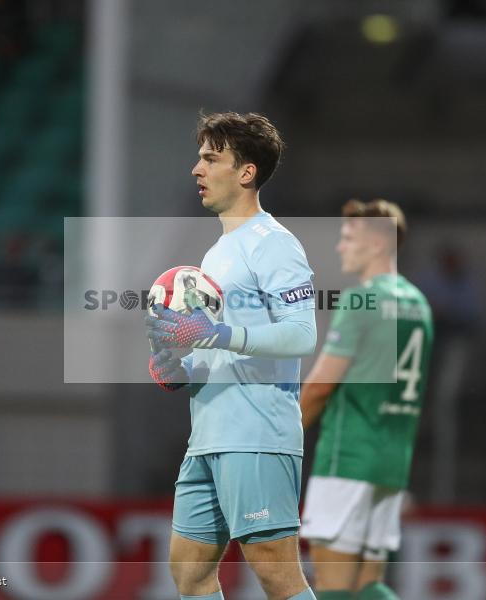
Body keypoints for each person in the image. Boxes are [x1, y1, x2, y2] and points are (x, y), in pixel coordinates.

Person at [146, 112, 318, 600]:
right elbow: (220, 347)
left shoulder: (274, 244)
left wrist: (218, 334)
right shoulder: (218, 253)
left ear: (246, 172)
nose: (196, 170)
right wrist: (181, 368)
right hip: (210, 432)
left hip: (257, 431)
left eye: (210, 158)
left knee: (276, 574)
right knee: (189, 573)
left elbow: (301, 335)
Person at [299, 200, 434, 600]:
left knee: (333, 588)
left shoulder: (361, 301)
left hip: (349, 457)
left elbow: (321, 386)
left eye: (349, 238)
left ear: (377, 244)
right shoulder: (419, 304)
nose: (340, 247)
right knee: (368, 586)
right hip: (392, 462)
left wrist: (283, 438)